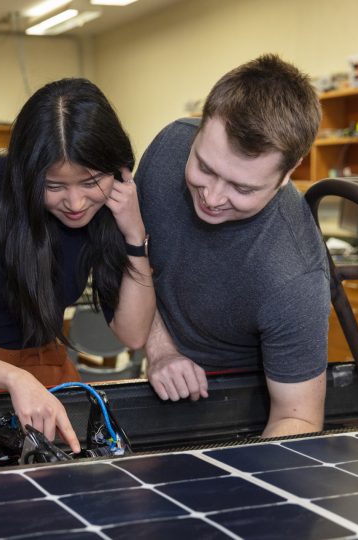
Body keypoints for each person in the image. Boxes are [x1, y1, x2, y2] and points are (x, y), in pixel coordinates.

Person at [0, 78, 155, 452]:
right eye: (54, 186)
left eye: (91, 182)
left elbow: (133, 334)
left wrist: (134, 235)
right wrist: (14, 378)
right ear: (26, 174)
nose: (76, 203)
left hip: (39, 371)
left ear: (119, 172)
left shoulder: (111, 211)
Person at [134, 54, 329, 438]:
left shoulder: (293, 276)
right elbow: (123, 259)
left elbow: (298, 419)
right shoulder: (169, 148)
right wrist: (160, 349)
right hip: (161, 375)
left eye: (242, 187)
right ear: (200, 126)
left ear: (289, 173)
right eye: (205, 167)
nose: (212, 197)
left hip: (242, 408)